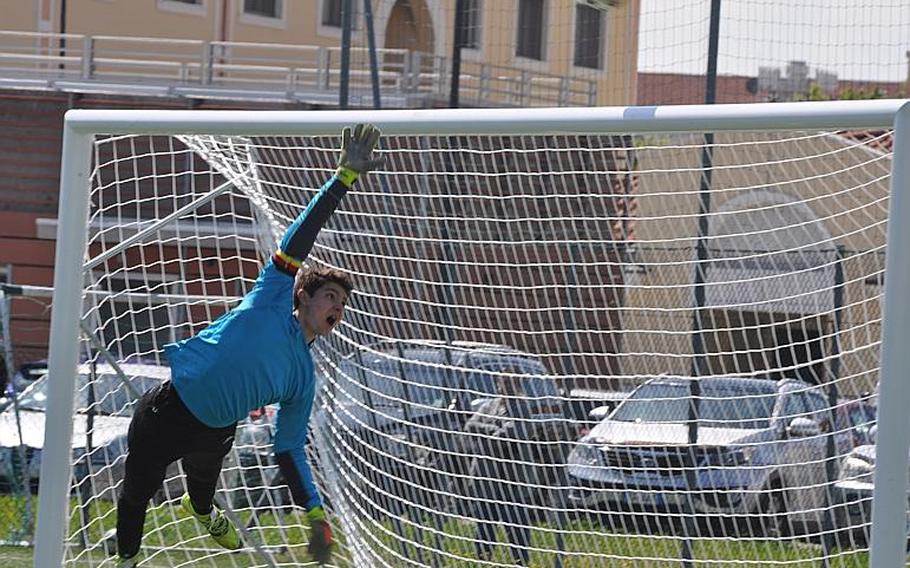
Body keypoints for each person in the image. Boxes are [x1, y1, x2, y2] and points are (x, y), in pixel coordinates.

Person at [114, 123, 383, 567]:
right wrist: (343, 179)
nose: (338, 307)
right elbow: (299, 237)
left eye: (343, 302)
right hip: (167, 411)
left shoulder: (303, 377)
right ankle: (126, 561)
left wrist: (316, 516)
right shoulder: (273, 296)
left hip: (217, 430)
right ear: (303, 296)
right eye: (330, 296)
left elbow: (289, 448)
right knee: (137, 491)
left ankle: (200, 510)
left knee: (201, 495)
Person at [463, 373, 536, 566]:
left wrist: (490, 432)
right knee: (485, 523)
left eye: (511, 383)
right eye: (503, 383)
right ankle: (482, 560)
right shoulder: (489, 406)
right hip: (486, 477)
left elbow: (508, 435)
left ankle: (520, 562)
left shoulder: (522, 408)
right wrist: (491, 430)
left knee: (516, 525)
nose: (505, 387)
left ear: (518, 385)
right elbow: (470, 425)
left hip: (512, 480)